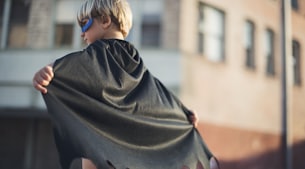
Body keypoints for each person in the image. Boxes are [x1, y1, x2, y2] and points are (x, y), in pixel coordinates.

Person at [33, 0, 218, 169]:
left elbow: (67, 66)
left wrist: (48, 71)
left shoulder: (97, 53)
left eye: (85, 24)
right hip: (124, 149)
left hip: (100, 142)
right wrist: (182, 111)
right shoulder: (134, 58)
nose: (82, 33)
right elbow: (155, 93)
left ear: (105, 21)